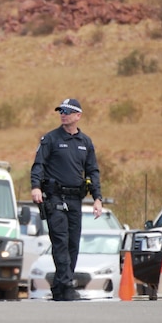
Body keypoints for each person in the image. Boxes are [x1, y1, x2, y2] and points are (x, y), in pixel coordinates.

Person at [30, 98, 103, 301]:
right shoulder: (50, 139)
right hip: (55, 198)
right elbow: (39, 165)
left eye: (68, 111)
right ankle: (67, 284)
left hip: (75, 199)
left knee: (73, 243)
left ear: (78, 116)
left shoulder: (85, 143)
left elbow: (92, 171)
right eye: (61, 111)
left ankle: (61, 286)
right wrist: (36, 187)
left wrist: (97, 198)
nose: (63, 114)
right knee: (60, 241)